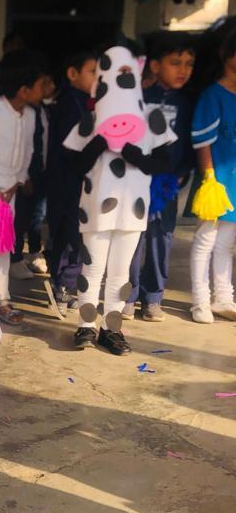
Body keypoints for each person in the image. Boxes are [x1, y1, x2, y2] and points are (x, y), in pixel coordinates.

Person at [63, 43, 173, 354]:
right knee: (92, 268)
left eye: (126, 71)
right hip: (95, 205)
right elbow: (74, 164)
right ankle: (86, 325)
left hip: (133, 208)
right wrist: (100, 142)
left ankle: (112, 329)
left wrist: (132, 153)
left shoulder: (152, 117)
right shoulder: (91, 118)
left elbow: (162, 163)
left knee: (121, 272)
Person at [0, 49, 48, 325]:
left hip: (9, 193)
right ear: (24, 89)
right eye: (40, 84)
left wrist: (17, 182)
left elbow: (27, 152)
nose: (44, 90)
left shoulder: (29, 116)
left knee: (3, 246)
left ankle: (1, 297)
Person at [125, 31, 195, 322]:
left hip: (166, 183)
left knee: (161, 238)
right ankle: (128, 295)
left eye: (189, 64)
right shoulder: (138, 97)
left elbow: (189, 144)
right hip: (134, 179)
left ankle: (153, 297)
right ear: (154, 66)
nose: (183, 70)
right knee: (132, 237)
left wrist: (181, 174)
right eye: (175, 63)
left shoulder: (187, 103)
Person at [44, 50, 98, 315]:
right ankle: (61, 285)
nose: (98, 78)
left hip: (82, 182)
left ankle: (68, 283)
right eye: (93, 72)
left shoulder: (91, 102)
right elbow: (70, 150)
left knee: (80, 235)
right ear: (73, 74)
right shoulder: (68, 104)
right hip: (67, 182)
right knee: (68, 234)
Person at [188, 25, 236, 322]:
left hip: (235, 182)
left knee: (226, 243)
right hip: (215, 181)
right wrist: (209, 179)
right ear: (225, 55)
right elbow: (202, 141)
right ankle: (200, 301)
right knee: (205, 240)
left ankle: (223, 297)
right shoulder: (212, 95)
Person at [10, 69, 54, 280]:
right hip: (26, 174)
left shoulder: (44, 109)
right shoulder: (23, 112)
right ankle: (15, 257)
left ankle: (35, 251)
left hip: (42, 171)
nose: (49, 87)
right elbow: (23, 146)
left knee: (37, 215)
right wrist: (25, 175)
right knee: (20, 216)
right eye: (44, 83)